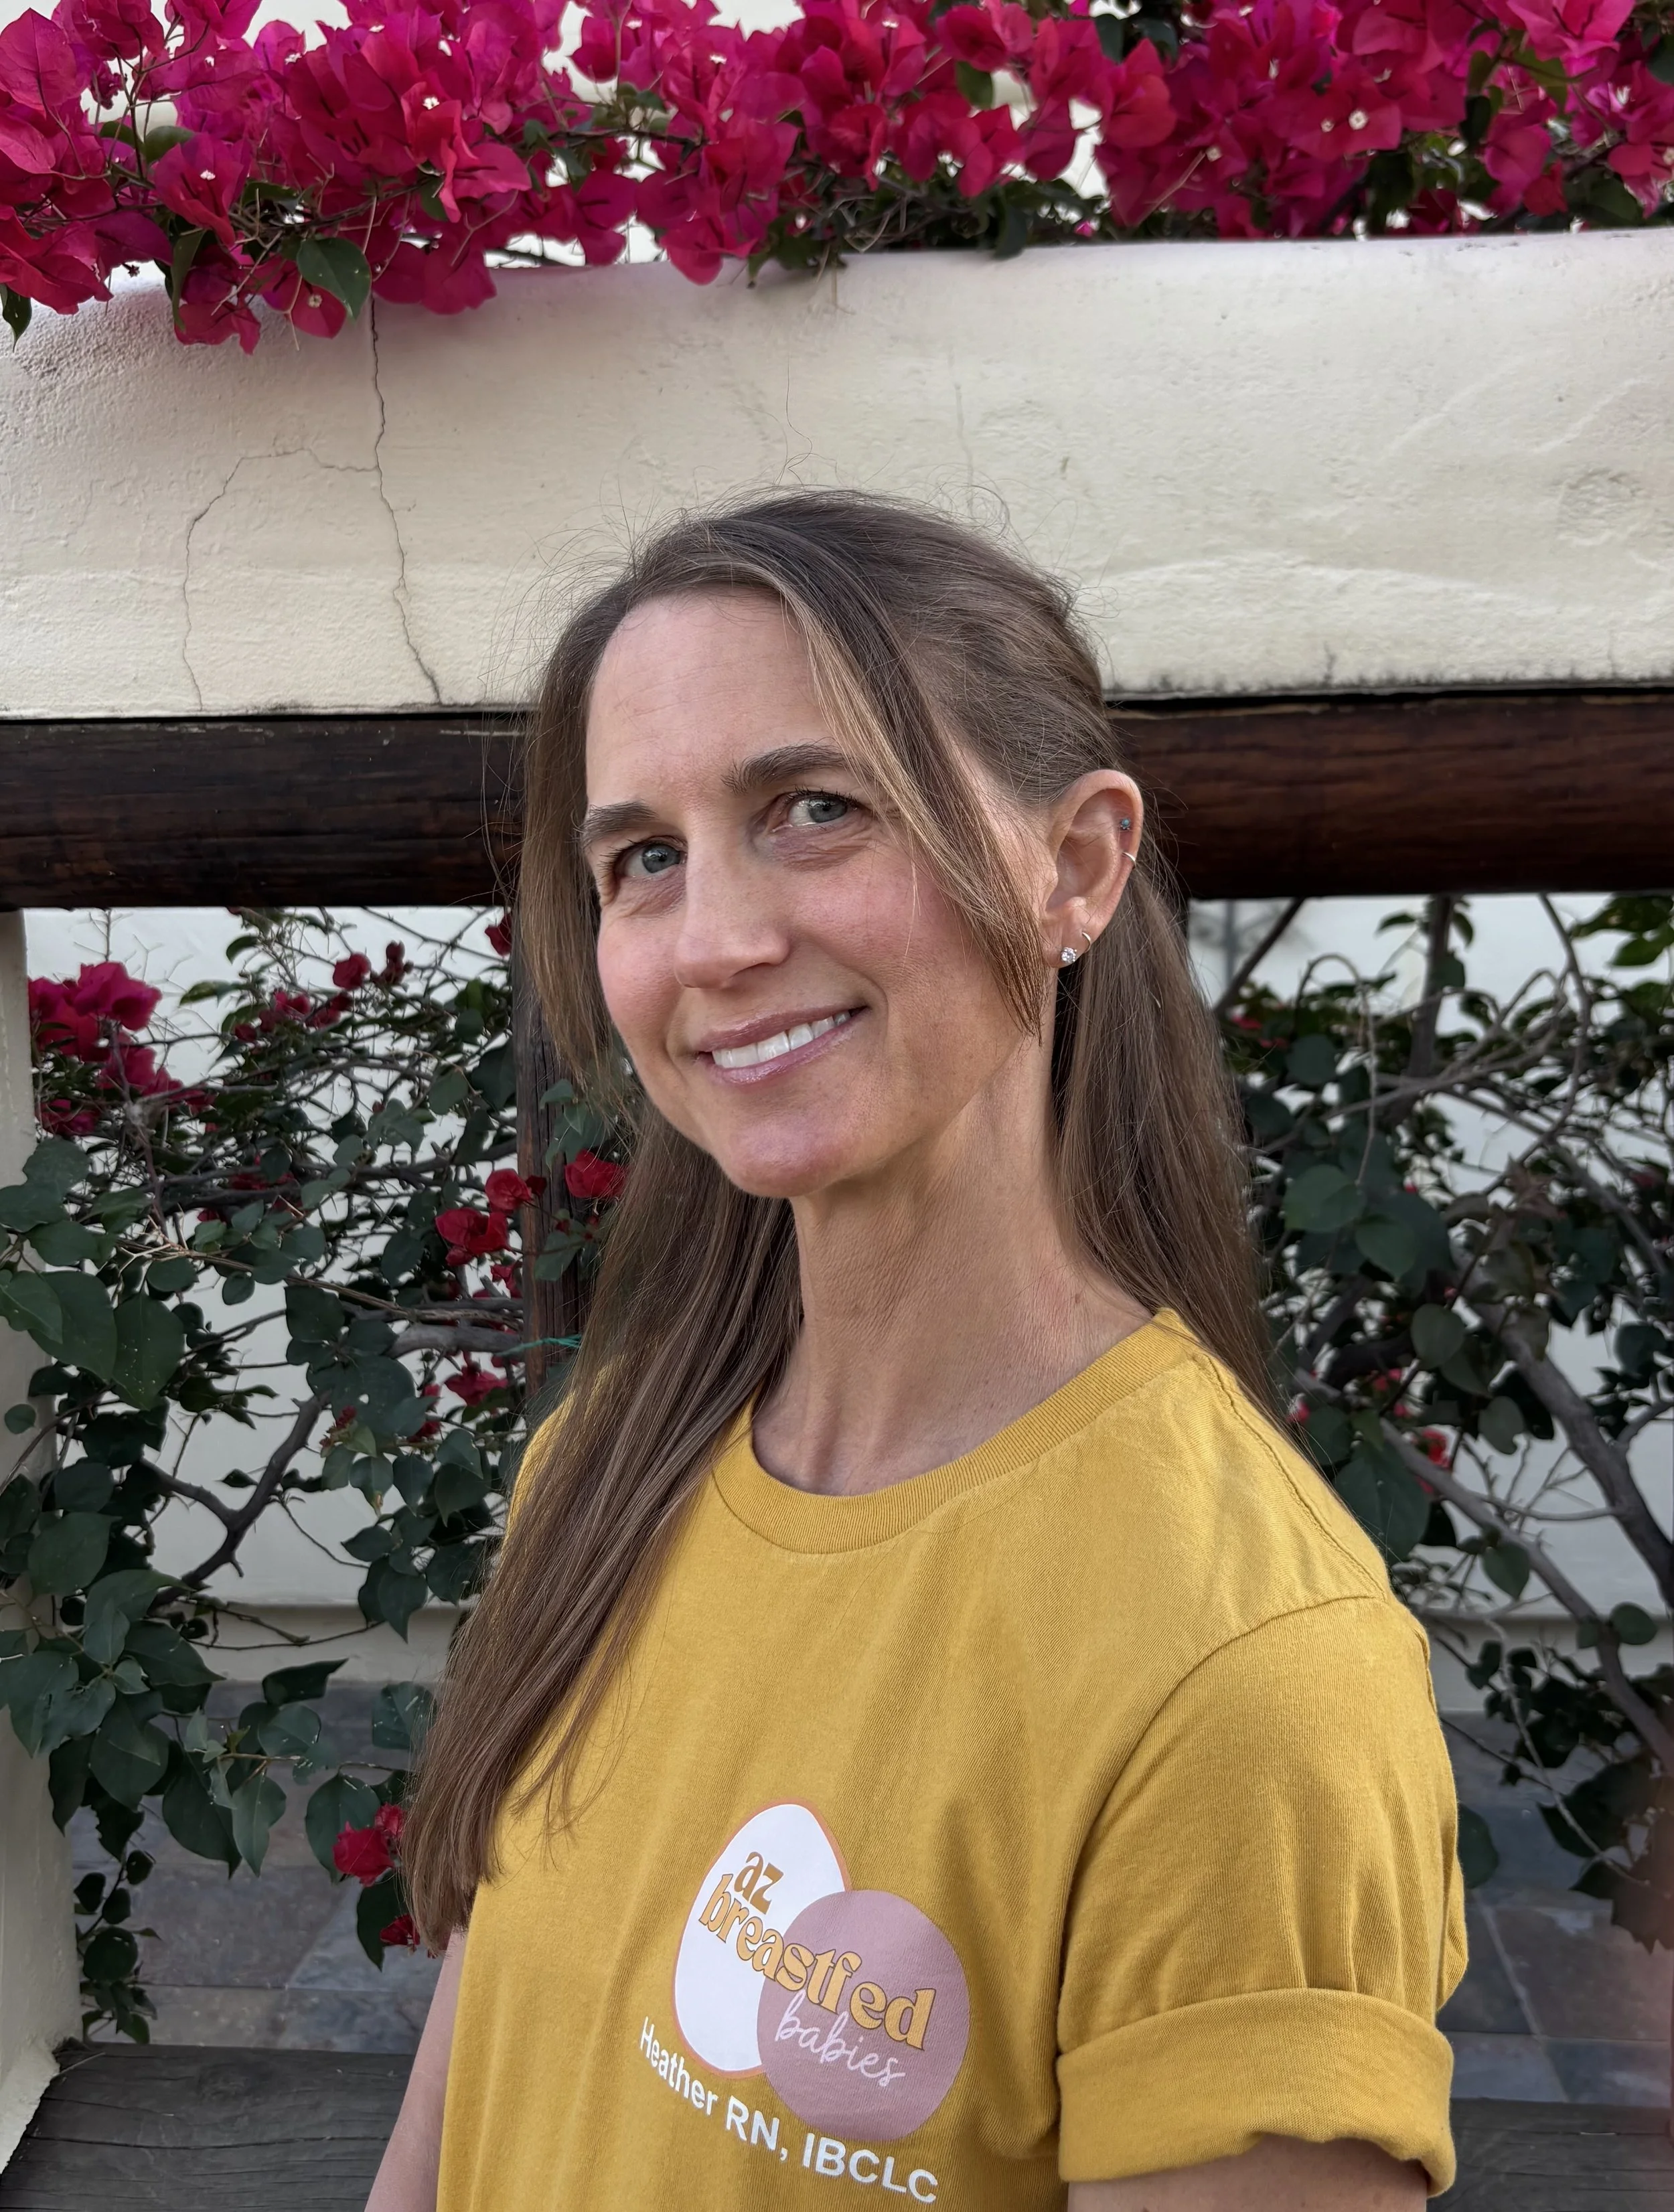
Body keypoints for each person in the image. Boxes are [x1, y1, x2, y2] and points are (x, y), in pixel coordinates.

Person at [368, 491, 1465, 2212]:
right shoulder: (604, 1461)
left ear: (1075, 866)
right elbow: (481, 2049)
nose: (713, 938)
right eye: (642, 857)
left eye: (815, 809)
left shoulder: (1248, 1678)